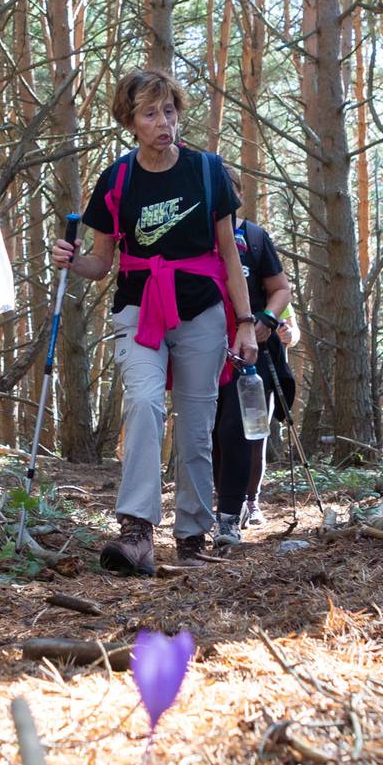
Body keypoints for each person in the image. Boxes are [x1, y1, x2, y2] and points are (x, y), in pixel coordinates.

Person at [52, 70, 258, 575]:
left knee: (196, 424)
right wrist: (72, 261)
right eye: (150, 114)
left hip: (203, 311)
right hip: (139, 308)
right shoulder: (118, 179)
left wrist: (247, 323)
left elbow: (230, 255)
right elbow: (102, 261)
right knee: (144, 402)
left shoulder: (208, 172)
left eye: (169, 111)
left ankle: (192, 535)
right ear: (130, 122)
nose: (163, 122)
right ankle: (137, 532)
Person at [210, 207, 295, 544]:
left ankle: (241, 506)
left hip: (253, 352)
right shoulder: (198, 236)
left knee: (247, 432)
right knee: (213, 433)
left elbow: (283, 296)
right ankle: (222, 507)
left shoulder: (257, 239)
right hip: (206, 347)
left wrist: (271, 323)